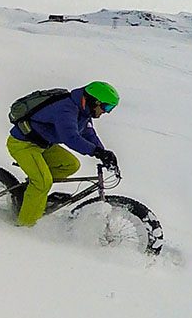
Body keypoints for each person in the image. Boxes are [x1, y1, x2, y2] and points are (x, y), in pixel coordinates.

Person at [7, 81, 120, 227]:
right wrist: (96, 152)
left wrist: (103, 152)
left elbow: (88, 132)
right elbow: (70, 137)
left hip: (43, 145)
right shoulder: (65, 109)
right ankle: (23, 226)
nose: (106, 112)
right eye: (106, 107)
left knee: (70, 164)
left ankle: (31, 193)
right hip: (22, 144)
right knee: (42, 182)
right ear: (94, 101)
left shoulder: (84, 111)